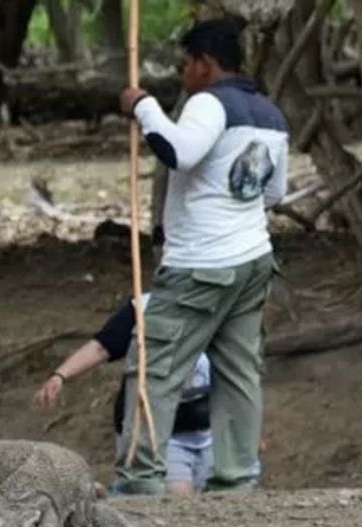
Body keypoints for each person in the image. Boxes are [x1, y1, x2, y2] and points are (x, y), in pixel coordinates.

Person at [115, 18, 287, 494]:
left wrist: (142, 107)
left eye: (186, 63)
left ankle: (140, 478)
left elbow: (180, 151)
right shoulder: (269, 113)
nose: (184, 73)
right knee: (238, 372)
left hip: (200, 263)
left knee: (157, 365)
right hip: (253, 258)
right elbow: (273, 190)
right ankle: (235, 478)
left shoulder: (208, 102)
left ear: (204, 65)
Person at [34, 293, 224, 494]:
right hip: (158, 432)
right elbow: (101, 348)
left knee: (222, 498)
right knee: (175, 496)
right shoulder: (143, 309)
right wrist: (60, 375)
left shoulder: (226, 301)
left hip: (212, 427)